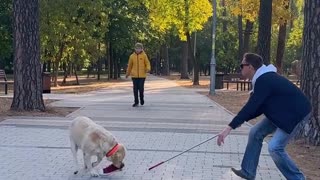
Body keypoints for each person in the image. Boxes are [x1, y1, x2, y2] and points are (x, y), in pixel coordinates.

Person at [217, 53, 311, 180]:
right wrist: (239, 121)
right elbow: (257, 107)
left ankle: (298, 178)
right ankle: (248, 171)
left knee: (275, 147)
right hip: (282, 112)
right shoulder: (263, 79)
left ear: (250, 67)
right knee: (255, 132)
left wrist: (229, 128)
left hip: (296, 113)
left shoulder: (264, 80)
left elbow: (251, 106)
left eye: (242, 65)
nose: (241, 68)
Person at [126, 43, 151, 107]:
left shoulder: (144, 56)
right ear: (135, 49)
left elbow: (147, 63)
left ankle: (142, 99)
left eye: (139, 48)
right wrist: (127, 73)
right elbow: (129, 66)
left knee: (141, 88)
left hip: (142, 75)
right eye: (137, 48)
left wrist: (148, 68)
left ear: (142, 49)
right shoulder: (132, 56)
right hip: (134, 75)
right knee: (135, 89)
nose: (138, 50)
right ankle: (136, 102)